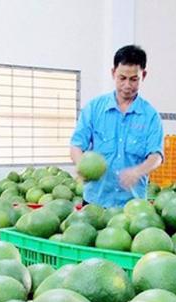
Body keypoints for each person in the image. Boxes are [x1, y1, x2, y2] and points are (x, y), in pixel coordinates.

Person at [70, 45, 164, 208]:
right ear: (113, 73)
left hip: (132, 207)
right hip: (95, 203)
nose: (127, 85)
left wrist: (138, 171)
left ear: (144, 75)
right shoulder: (94, 108)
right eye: (122, 78)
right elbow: (77, 145)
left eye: (134, 79)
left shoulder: (151, 116)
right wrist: (81, 165)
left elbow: (156, 156)